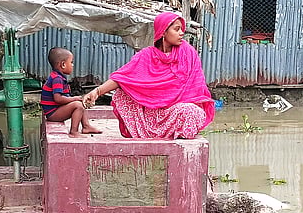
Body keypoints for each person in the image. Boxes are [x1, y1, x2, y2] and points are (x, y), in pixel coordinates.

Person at [81, 11, 215, 139]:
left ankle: (168, 132)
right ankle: (148, 132)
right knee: (121, 95)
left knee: (194, 112)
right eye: (177, 29)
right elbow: (122, 78)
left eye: (181, 29)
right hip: (150, 112)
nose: (181, 33)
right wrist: (97, 92)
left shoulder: (188, 53)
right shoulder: (147, 55)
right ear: (163, 31)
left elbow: (196, 88)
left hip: (177, 109)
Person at [42, 47, 101, 137]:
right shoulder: (57, 79)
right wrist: (74, 98)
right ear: (63, 65)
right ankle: (74, 132)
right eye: (71, 62)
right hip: (53, 114)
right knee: (78, 105)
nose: (73, 65)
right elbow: (58, 99)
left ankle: (86, 126)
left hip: (56, 110)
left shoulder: (58, 76)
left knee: (80, 102)